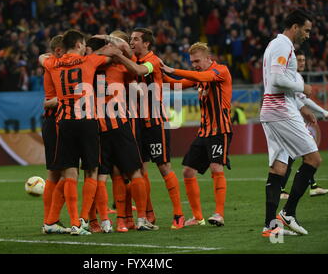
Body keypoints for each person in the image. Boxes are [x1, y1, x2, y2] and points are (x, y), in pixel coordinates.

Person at [42, 29, 118, 236]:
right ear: (78, 45)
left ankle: (74, 223)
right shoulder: (89, 61)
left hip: (64, 122)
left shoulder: (53, 64)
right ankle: (83, 219)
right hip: (86, 121)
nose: (85, 47)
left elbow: (43, 59)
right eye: (83, 43)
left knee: (69, 173)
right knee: (92, 170)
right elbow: (113, 54)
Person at [260, 9, 322, 237]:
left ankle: (269, 226)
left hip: (272, 110)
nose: (307, 35)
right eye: (306, 30)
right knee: (313, 159)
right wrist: (302, 87)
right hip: (280, 111)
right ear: (294, 27)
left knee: (279, 168)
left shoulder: (276, 45)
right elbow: (277, 79)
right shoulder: (282, 45)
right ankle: (288, 213)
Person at [88, 34, 158, 232]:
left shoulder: (88, 66)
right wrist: (113, 49)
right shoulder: (120, 66)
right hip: (119, 124)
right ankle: (140, 219)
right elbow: (132, 62)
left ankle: (113, 222)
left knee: (106, 175)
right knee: (134, 171)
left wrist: (105, 48)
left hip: (99, 127)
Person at [118, 28, 185, 230]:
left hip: (155, 122)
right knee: (140, 168)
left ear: (146, 43)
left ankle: (179, 214)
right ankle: (148, 214)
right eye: (130, 39)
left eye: (136, 39)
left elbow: (140, 72)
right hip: (136, 122)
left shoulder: (152, 61)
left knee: (163, 166)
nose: (132, 42)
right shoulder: (132, 61)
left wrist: (118, 55)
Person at [160, 42, 232, 227]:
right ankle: (198, 217)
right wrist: (159, 75)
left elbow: (202, 76)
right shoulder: (200, 76)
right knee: (188, 171)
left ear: (209, 59)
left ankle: (219, 214)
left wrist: (173, 69)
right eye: (192, 62)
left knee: (216, 167)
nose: (194, 65)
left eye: (197, 61)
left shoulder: (220, 71)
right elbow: (176, 85)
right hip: (204, 131)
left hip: (220, 130)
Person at [280, 51, 328, 199]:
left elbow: (302, 101)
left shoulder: (297, 77)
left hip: (296, 120)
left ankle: (312, 185)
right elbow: (304, 101)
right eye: (299, 59)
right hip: (290, 121)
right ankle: (283, 190)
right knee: (297, 154)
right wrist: (323, 111)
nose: (302, 62)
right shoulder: (291, 77)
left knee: (303, 154)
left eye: (303, 60)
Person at [38, 35, 71, 234]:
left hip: (57, 121)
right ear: (59, 51)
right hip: (56, 121)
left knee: (56, 172)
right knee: (65, 172)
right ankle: (50, 221)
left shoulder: (51, 63)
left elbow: (42, 57)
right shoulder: (56, 67)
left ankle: (49, 221)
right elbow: (49, 101)